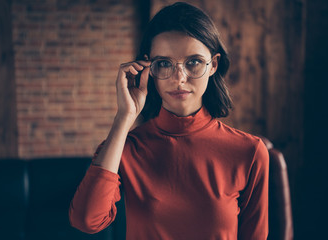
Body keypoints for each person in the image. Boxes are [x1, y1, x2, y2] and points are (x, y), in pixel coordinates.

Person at [69, 2, 269, 240]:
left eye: (193, 62)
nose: (179, 78)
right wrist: (124, 117)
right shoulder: (126, 149)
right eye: (164, 63)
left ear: (213, 65)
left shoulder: (250, 152)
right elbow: (86, 220)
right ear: (148, 68)